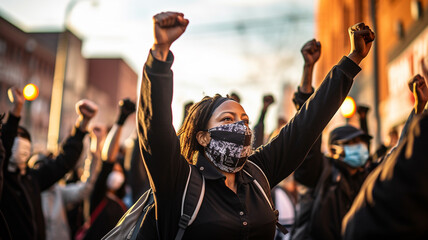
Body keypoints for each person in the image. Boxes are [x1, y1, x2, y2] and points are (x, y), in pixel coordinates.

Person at [136, 11, 374, 239]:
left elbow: (307, 123)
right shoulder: (179, 181)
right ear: (203, 137)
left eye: (244, 120)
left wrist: (353, 59)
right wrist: (159, 54)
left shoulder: (258, 173)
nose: (240, 127)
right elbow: (155, 131)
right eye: (227, 119)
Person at [0, 87, 98, 240]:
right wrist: (16, 111)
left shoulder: (32, 180)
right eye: (16, 137)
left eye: (25, 139)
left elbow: (63, 162)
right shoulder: (3, 181)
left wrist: (82, 124)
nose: (21, 144)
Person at [342, 73, 428, 239]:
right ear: (335, 150)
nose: (359, 148)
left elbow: (397, 155)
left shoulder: (372, 171)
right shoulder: (327, 180)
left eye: (361, 143)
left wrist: (419, 107)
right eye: (352, 144)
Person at [29, 124, 105, 240]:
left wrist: (95, 152)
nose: (43, 174)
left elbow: (85, 188)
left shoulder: (58, 192)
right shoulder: (26, 193)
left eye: (45, 168)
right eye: (38, 169)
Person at [76, 98, 134, 240]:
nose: (116, 174)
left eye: (119, 171)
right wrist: (120, 121)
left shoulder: (123, 204)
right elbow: (107, 161)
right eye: (114, 171)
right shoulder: (97, 195)